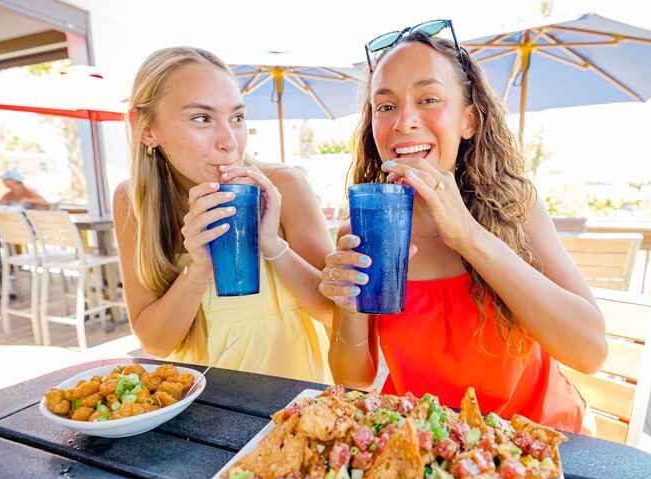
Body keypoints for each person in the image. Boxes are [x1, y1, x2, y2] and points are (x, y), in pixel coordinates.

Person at [319, 27, 607, 433]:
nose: (403, 122)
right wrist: (348, 308)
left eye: (429, 99)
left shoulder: (515, 207)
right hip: (426, 445)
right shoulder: (369, 225)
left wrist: (470, 237)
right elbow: (354, 378)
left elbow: (591, 351)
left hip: (536, 442)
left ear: (468, 120)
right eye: (385, 106)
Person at [113, 47, 334, 383]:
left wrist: (273, 245)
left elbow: (336, 313)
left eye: (237, 118)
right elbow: (155, 343)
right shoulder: (133, 202)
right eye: (202, 118)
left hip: (294, 412)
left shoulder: (283, 186)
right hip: (200, 413)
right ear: (147, 130)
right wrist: (198, 270)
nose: (230, 142)